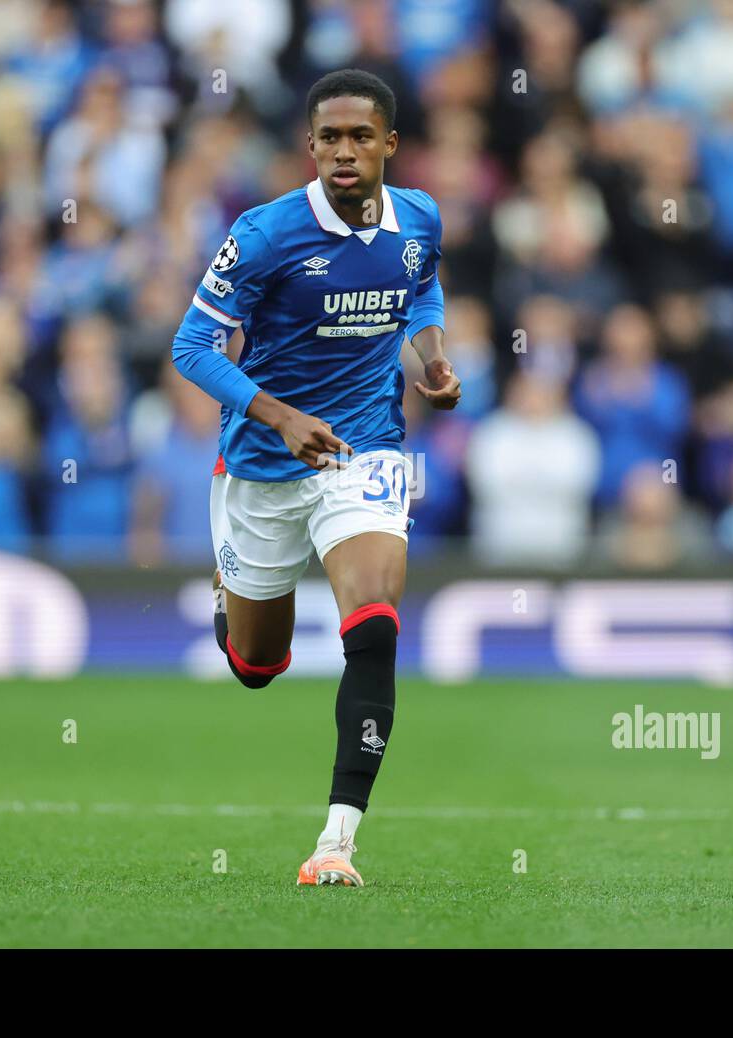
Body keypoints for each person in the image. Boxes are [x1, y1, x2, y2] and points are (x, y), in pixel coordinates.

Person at [169, 69, 460, 887]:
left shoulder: (421, 217)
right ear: (310, 146)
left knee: (372, 624)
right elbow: (190, 348)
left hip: (362, 449)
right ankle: (235, 604)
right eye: (329, 137)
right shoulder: (263, 235)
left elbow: (423, 286)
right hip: (263, 462)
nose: (343, 150)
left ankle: (336, 841)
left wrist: (431, 358)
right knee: (257, 666)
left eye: (360, 136)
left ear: (389, 146)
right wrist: (280, 416)